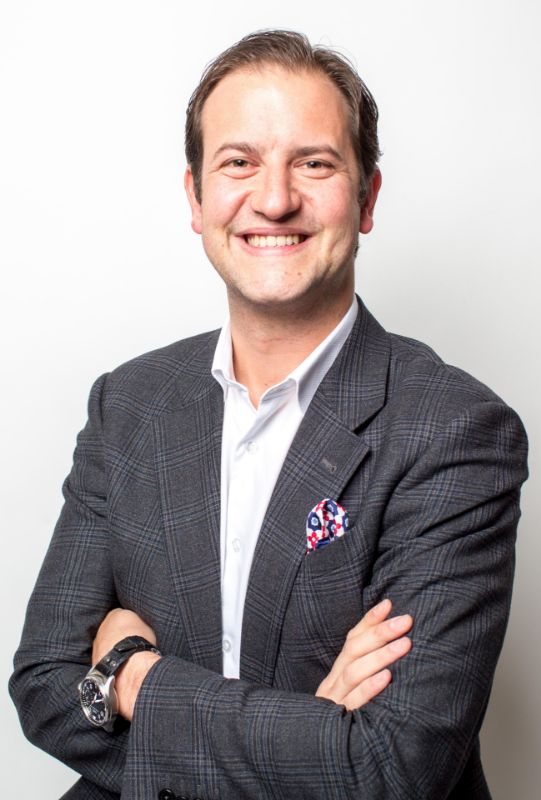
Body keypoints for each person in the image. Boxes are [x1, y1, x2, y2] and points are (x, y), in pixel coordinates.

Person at [10, 29, 528, 800]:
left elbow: (389, 767)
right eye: (238, 163)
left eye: (313, 163)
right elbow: (45, 689)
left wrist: (133, 677)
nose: (275, 198)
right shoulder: (129, 405)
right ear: (195, 198)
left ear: (366, 198)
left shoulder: (454, 430)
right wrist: (307, 735)